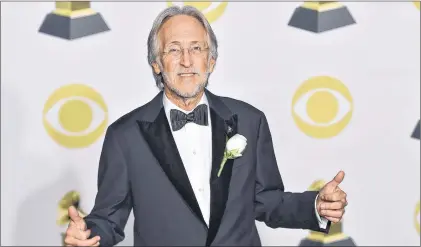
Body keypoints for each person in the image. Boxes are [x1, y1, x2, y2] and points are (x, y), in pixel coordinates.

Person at [64, 5, 348, 247]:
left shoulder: (250, 121)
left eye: (196, 48)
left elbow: (266, 200)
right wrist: (87, 234)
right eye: (174, 50)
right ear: (156, 63)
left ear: (211, 60)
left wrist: (315, 207)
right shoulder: (125, 136)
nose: (186, 61)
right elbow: (109, 220)